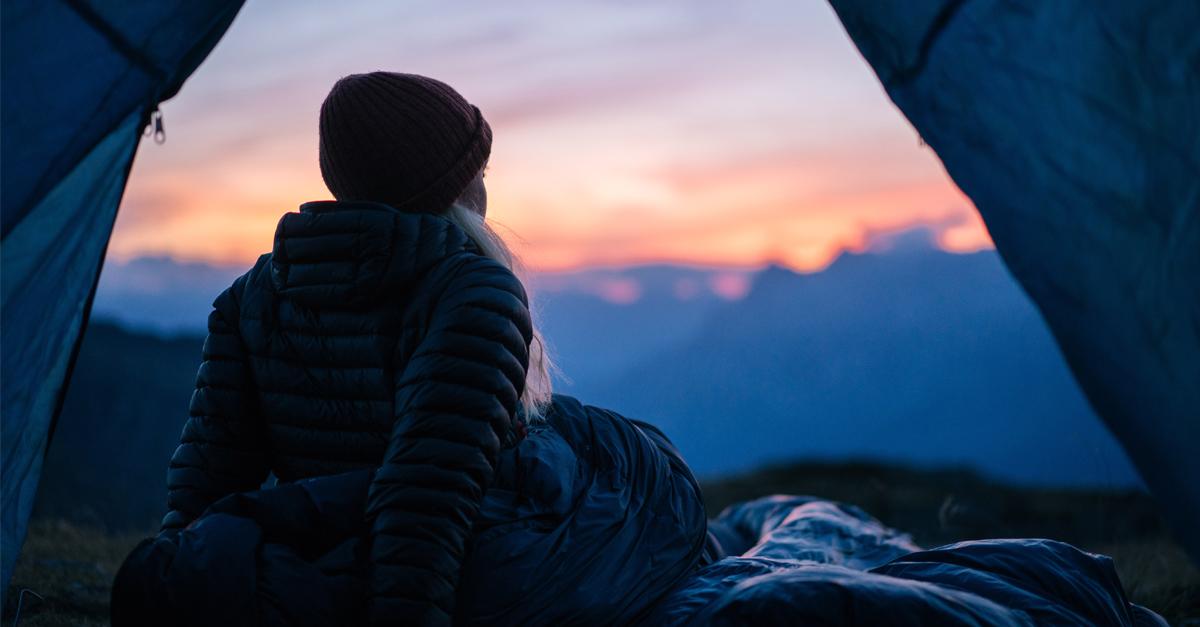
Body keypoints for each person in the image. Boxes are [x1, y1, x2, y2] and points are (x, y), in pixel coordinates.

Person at [112, 72, 709, 627]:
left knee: (585, 434)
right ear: (444, 186)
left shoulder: (250, 296)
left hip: (334, 530)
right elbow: (426, 497)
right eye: (477, 168)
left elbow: (207, 478)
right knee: (644, 473)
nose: (484, 182)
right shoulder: (473, 293)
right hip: (455, 551)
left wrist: (182, 569)